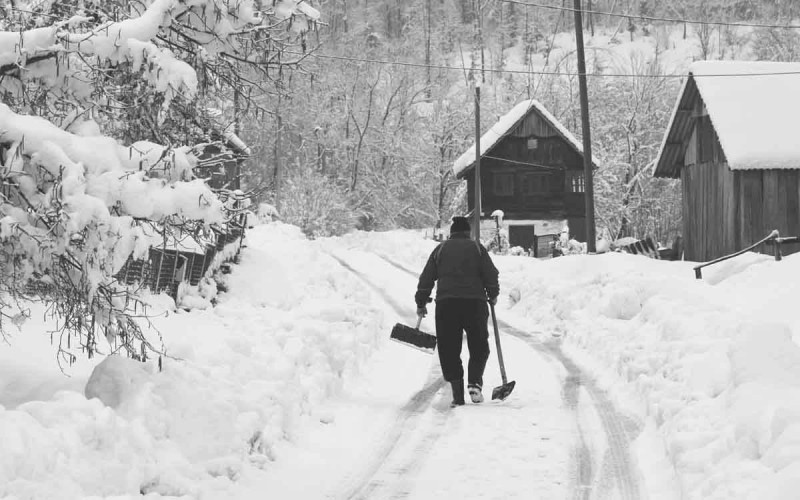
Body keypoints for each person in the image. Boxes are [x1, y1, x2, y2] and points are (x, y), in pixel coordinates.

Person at [415, 216, 499, 406]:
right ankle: (475, 382)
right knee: (479, 345)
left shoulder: (441, 249)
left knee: (449, 348)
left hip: (447, 305)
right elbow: (491, 274)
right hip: (475, 304)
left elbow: (427, 277)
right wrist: (492, 293)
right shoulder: (477, 248)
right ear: (468, 233)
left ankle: (457, 394)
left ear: (452, 233)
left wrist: (421, 301)